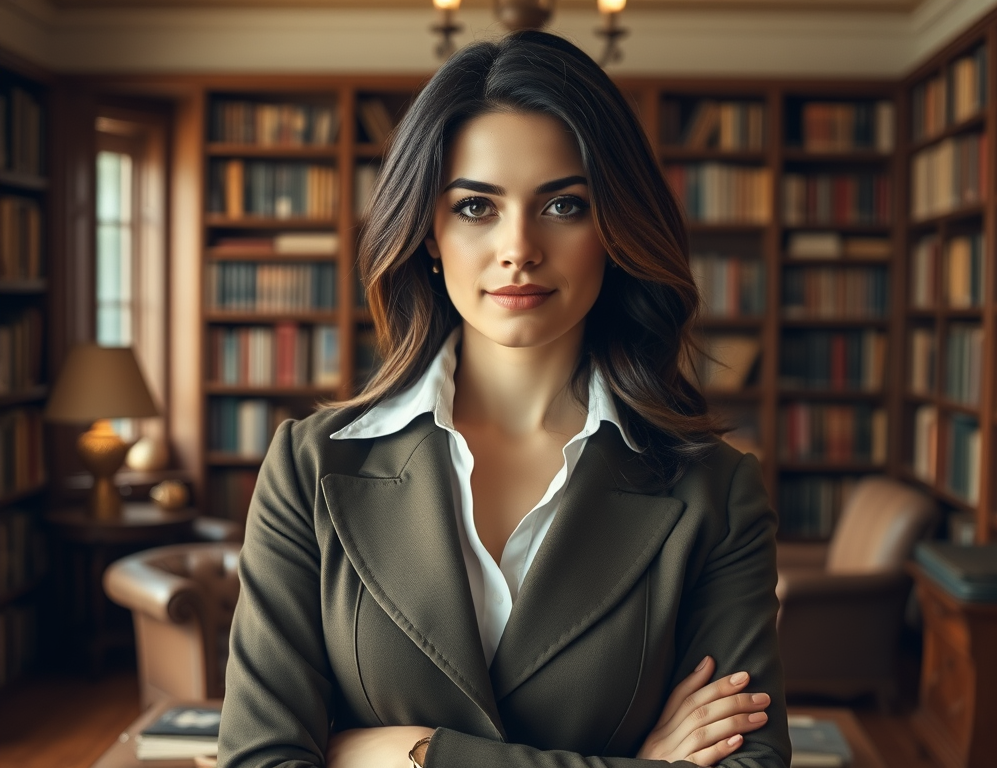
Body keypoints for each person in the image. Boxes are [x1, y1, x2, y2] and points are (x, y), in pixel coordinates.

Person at [218, 30, 790, 768]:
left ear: (613, 229)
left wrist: (414, 755)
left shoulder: (717, 491)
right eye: (477, 208)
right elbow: (259, 760)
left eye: (564, 205)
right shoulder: (308, 467)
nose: (518, 247)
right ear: (428, 231)